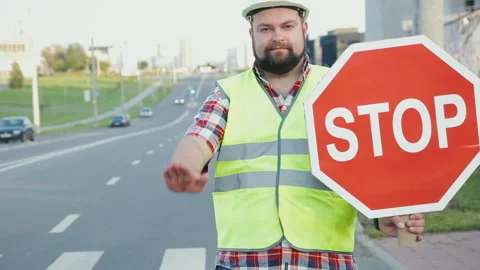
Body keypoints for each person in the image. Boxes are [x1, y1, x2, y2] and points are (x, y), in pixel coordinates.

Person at [163, 0, 426, 269]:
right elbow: (199, 137)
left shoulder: (339, 85)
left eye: (287, 26)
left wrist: (382, 216)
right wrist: (186, 165)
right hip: (243, 262)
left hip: (324, 260)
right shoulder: (228, 93)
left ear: (304, 29)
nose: (277, 36)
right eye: (266, 29)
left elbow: (370, 162)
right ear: (252, 35)